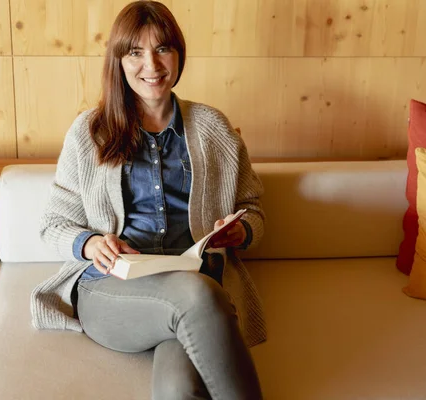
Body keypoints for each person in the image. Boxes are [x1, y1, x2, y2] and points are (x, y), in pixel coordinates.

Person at [31, 1, 266, 399]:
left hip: (193, 283)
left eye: (162, 49)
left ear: (178, 55)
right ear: (119, 61)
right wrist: (89, 243)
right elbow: (52, 225)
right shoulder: (90, 132)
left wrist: (239, 231)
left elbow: (255, 212)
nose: (152, 65)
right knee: (199, 296)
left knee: (178, 390)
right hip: (112, 289)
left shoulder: (213, 128)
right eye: (135, 52)